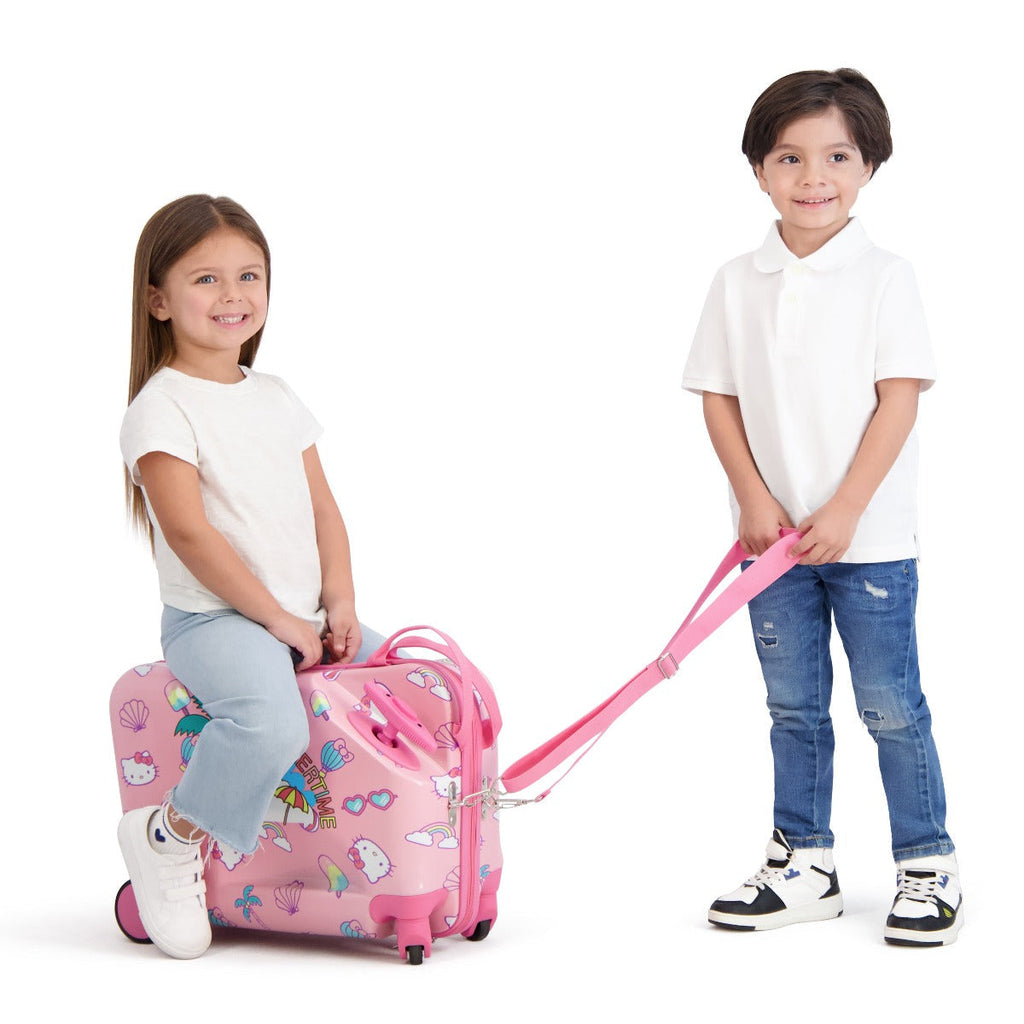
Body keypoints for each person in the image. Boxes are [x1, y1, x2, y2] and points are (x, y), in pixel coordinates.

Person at [682, 69, 961, 945]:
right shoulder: (737, 281)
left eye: (837, 156)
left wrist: (844, 509)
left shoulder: (886, 277)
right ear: (758, 171)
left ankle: (928, 864)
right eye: (790, 157)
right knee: (793, 709)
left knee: (891, 707)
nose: (814, 177)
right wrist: (753, 498)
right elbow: (718, 395)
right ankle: (804, 861)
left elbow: (900, 398)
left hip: (869, 543)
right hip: (772, 547)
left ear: (869, 165)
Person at [118, 194, 385, 958]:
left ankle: (383, 851)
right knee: (272, 722)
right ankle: (169, 836)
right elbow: (190, 535)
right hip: (215, 621)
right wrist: (276, 620)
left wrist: (340, 600)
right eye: (206, 279)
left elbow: (323, 509)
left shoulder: (275, 396)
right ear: (158, 300)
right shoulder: (162, 408)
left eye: (249, 276)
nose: (232, 295)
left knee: (400, 694)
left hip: (300, 614)